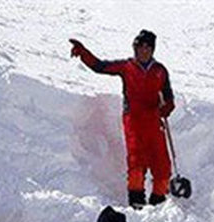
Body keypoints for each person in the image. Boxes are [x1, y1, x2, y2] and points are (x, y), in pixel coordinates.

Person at [70, 30, 175, 208]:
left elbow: (169, 97)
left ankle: (158, 204)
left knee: (162, 166)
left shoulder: (160, 71)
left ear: (152, 50)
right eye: (140, 47)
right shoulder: (126, 67)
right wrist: (83, 53)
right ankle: (137, 204)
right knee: (136, 164)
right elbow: (100, 66)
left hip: (153, 121)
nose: (144, 51)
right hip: (133, 122)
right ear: (135, 48)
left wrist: (166, 108)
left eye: (148, 47)